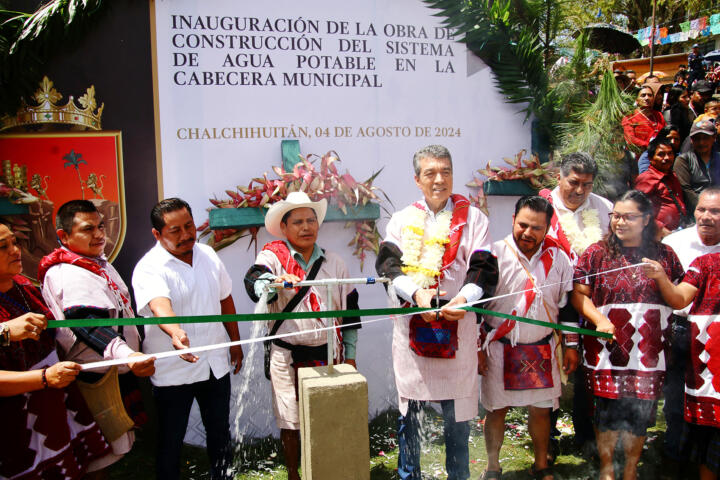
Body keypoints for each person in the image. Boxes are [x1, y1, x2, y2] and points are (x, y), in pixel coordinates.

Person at [375, 144, 498, 480]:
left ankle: (458, 476)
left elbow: (484, 268)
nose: (439, 179)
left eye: (446, 171)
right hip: (413, 331)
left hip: (459, 327)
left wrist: (464, 299)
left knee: (457, 422)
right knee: (410, 417)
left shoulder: (474, 219)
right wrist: (416, 294)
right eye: (430, 173)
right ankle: (408, 475)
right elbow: (388, 264)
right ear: (417, 179)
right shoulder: (402, 220)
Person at [244, 191, 361, 480]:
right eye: (297, 222)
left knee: (328, 417)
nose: (306, 227)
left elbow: (350, 314)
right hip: (286, 356)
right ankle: (294, 474)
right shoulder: (272, 258)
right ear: (284, 228)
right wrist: (273, 282)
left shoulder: (335, 263)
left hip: (328, 354)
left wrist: (351, 356)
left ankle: (326, 470)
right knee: (290, 421)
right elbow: (255, 280)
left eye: (311, 220)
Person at [571, 190, 684, 480]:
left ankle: (630, 471)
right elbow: (579, 296)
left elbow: (678, 298)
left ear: (646, 219)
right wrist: (598, 320)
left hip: (647, 352)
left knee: (639, 414)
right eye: (616, 216)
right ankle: (608, 470)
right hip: (606, 349)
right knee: (606, 411)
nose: (619, 222)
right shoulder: (596, 253)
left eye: (628, 217)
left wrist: (660, 276)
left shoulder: (665, 255)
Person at [38, 200, 155, 470]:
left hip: (114, 370)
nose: (100, 234)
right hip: (94, 376)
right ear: (64, 236)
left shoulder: (95, 264)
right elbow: (87, 323)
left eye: (101, 226)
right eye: (88, 229)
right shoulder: (68, 272)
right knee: (96, 457)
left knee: (109, 452)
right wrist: (127, 354)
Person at [132, 197, 243, 480]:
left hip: (214, 363)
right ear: (157, 234)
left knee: (219, 432)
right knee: (171, 439)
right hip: (173, 370)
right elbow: (160, 305)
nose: (186, 235)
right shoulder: (149, 266)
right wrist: (176, 332)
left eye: (189, 226)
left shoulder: (208, 254)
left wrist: (235, 342)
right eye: (175, 231)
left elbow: (225, 298)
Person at [0, 223, 111, 478]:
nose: (15, 250)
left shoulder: (24, 288)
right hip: (13, 426)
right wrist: (42, 378)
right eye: (2, 247)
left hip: (54, 409)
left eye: (14, 242)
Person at [479, 196, 577, 480]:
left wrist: (571, 345)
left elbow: (567, 306)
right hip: (499, 347)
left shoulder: (559, 259)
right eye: (523, 224)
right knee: (496, 410)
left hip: (542, 348)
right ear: (512, 220)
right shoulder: (492, 255)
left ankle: (541, 464)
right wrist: (478, 349)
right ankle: (492, 467)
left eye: (537, 227)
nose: (528, 232)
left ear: (547, 228)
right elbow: (476, 308)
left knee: (542, 411)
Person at [539, 152, 613, 452]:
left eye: (587, 184)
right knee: (552, 372)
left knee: (587, 373)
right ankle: (549, 438)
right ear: (560, 177)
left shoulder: (604, 208)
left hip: (591, 303)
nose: (580, 191)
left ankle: (586, 436)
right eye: (574, 182)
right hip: (552, 304)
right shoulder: (542, 207)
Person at [642, 227, 720, 480]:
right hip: (708, 358)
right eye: (703, 210)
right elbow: (679, 300)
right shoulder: (706, 264)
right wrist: (662, 277)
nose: (707, 217)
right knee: (705, 434)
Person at [660, 187, 720, 471]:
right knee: (675, 401)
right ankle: (674, 460)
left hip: (716, 339)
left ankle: (706, 462)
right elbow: (670, 295)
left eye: (715, 211)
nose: (706, 217)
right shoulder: (675, 243)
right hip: (680, 329)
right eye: (701, 209)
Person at [635, 137, 689, 236]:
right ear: (651, 159)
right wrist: (661, 229)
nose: (667, 158)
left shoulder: (673, 176)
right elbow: (638, 209)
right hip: (659, 235)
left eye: (670, 153)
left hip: (679, 231)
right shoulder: (646, 179)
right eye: (661, 154)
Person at [675, 119, 720, 215]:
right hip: (696, 212)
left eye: (706, 138)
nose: (701, 142)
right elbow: (686, 189)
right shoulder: (684, 160)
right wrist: (706, 209)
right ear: (691, 140)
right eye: (697, 138)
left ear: (714, 138)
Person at [622, 85, 666, 150]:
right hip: (639, 154)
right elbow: (631, 139)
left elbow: (665, 132)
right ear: (636, 100)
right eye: (643, 95)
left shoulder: (658, 115)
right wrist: (650, 146)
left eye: (650, 95)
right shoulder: (630, 117)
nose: (647, 98)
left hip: (658, 153)